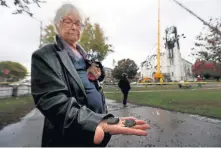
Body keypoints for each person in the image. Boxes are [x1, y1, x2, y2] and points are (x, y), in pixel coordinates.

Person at [31, 3, 149, 147]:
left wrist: (99, 72)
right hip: (68, 138)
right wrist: (95, 121)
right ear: (57, 23)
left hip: (97, 133)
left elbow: (93, 79)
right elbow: (53, 100)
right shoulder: (45, 56)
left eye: (78, 23)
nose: (74, 27)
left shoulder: (85, 56)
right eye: (68, 21)